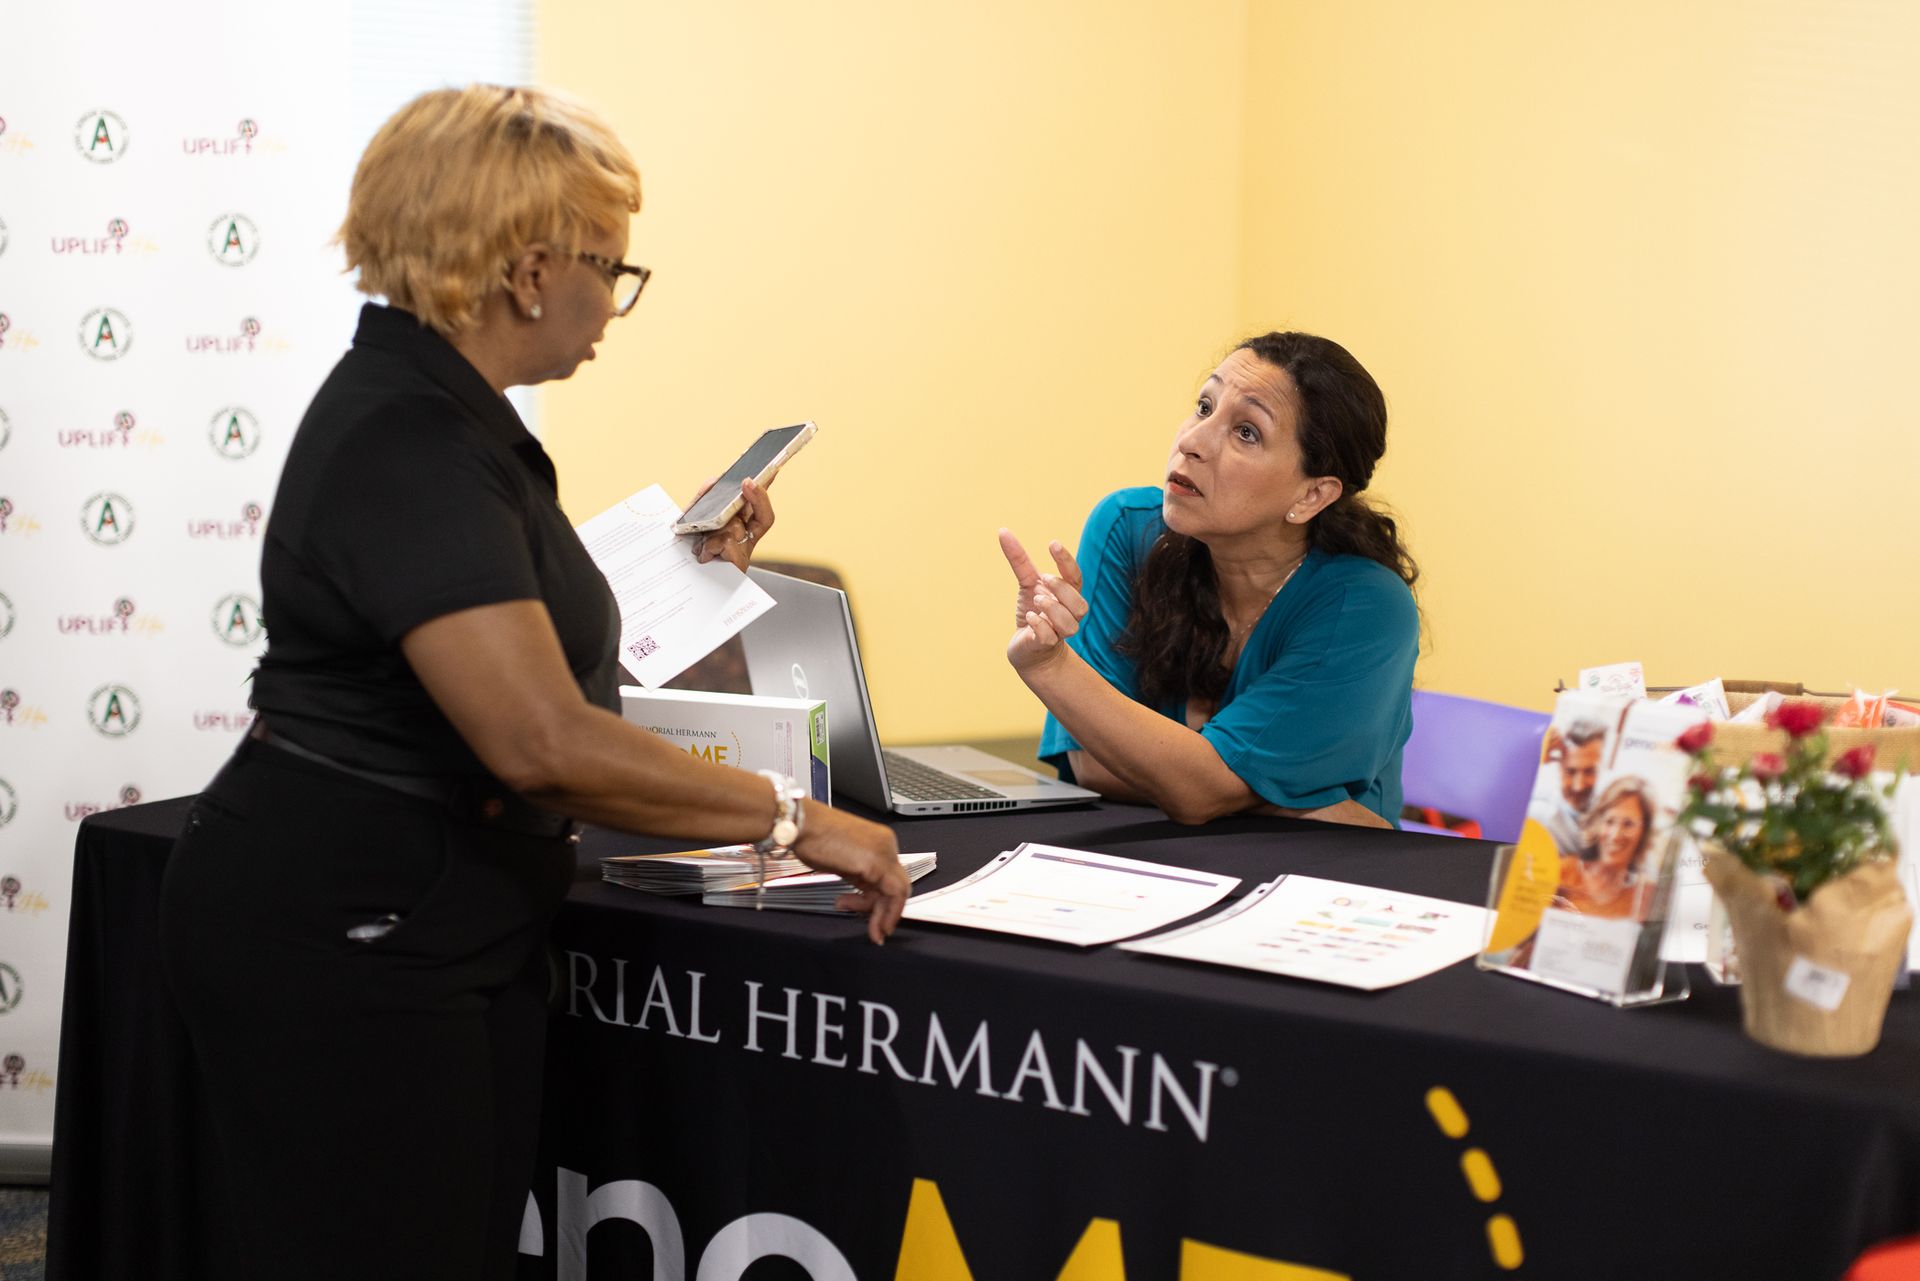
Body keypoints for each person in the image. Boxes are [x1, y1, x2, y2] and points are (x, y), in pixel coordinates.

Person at [156, 85, 908, 1281]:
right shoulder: (411, 443)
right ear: (529, 271)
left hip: (429, 917)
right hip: (353, 928)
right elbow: (539, 740)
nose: (617, 301)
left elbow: (513, 649)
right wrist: (794, 820)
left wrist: (686, 582)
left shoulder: (453, 426)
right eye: (614, 267)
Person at [999, 331, 1419, 828]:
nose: (1191, 442)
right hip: (1165, 864)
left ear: (1311, 496)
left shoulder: (1366, 607)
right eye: (1204, 406)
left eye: (1247, 432)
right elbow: (1090, 761)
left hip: (1321, 881)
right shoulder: (1127, 529)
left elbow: (1191, 791)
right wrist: (1275, 796)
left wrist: (1054, 670)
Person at [1553, 776, 1658, 919]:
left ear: (1643, 832)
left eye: (1628, 824)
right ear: (1597, 823)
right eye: (1609, 821)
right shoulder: (1562, 872)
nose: (1615, 835)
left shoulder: (1644, 897)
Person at [1531, 718, 1608, 854]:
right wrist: (1532, 761)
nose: (1578, 786)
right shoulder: (1538, 813)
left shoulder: (1619, 817)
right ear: (1558, 766)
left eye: (1590, 771)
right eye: (1570, 772)